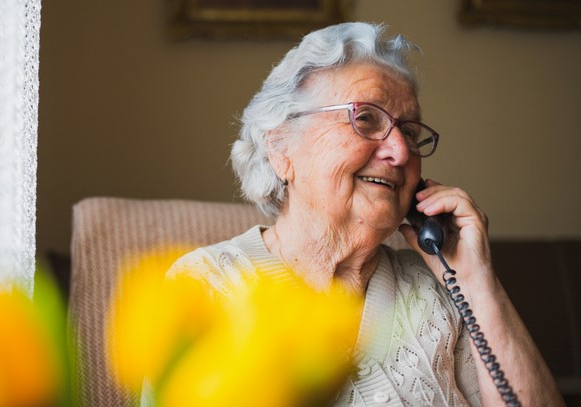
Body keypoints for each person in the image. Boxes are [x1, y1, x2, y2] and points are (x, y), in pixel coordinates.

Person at [159, 22, 563, 406]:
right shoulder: (205, 288)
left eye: (409, 132)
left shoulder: (440, 289)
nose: (401, 152)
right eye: (366, 119)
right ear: (281, 147)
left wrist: (477, 282)